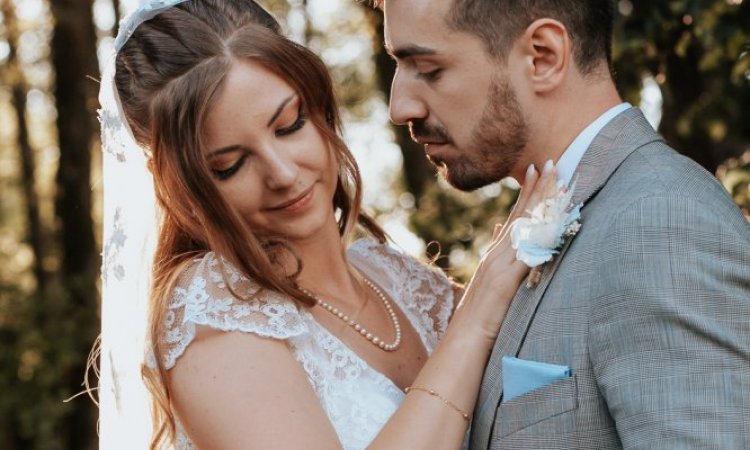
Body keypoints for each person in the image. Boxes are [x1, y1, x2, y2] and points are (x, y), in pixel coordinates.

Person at [99, 0, 562, 449]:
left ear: (318, 107)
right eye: (230, 165)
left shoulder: (397, 278)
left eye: (289, 125)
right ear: (185, 188)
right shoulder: (213, 315)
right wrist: (478, 311)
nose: (282, 173)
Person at [379, 0, 750, 448]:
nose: (400, 108)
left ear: (543, 56)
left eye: (428, 68)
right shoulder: (558, 218)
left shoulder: (660, 220)